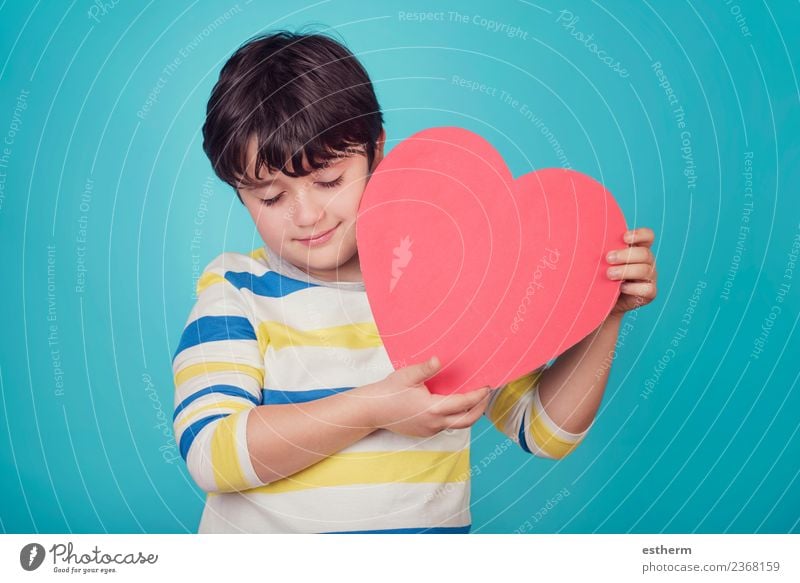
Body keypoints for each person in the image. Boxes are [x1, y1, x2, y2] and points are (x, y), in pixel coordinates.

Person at [172, 31, 658, 533]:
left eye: (329, 181)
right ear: (240, 193)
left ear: (375, 152)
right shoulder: (236, 292)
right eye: (271, 197)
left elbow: (545, 432)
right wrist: (371, 408)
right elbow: (211, 454)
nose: (306, 214)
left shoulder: (455, 280)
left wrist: (606, 313)